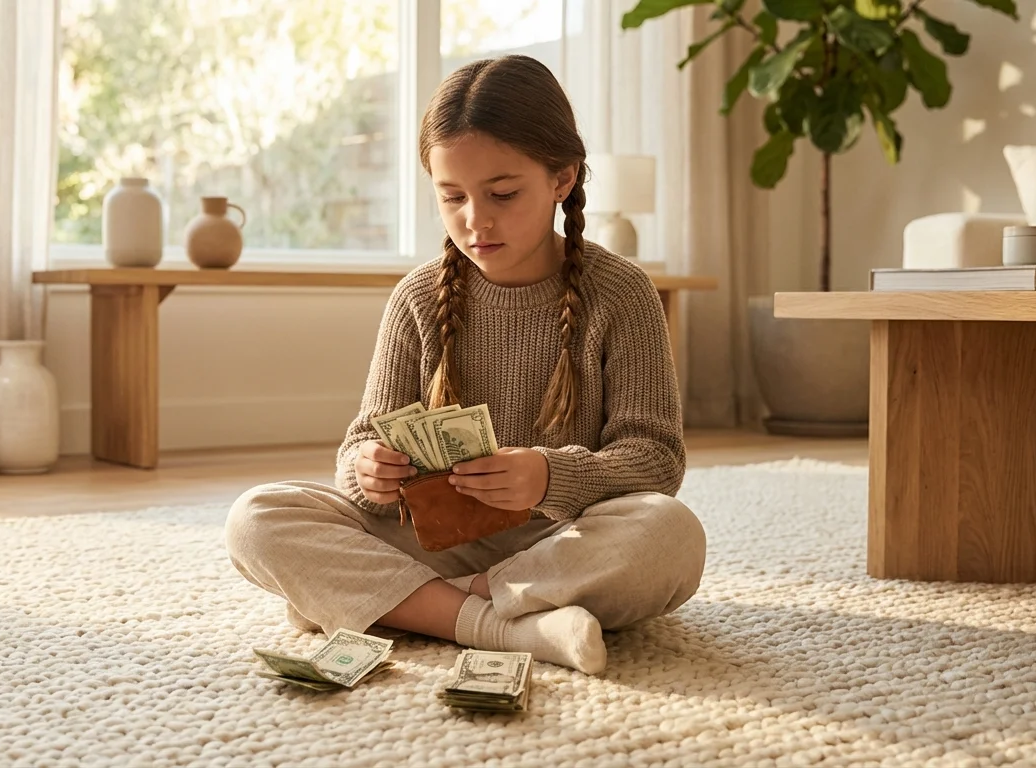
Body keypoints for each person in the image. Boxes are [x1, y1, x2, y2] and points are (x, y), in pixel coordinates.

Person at [224, 54, 705, 675]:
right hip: (429, 542)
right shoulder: (419, 297)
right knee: (256, 518)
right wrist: (367, 471)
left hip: (558, 545)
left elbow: (656, 460)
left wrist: (547, 477)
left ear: (562, 178)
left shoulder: (623, 293)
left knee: (670, 534)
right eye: (452, 196)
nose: (475, 221)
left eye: (503, 194)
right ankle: (501, 626)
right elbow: (360, 444)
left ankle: (408, 605)